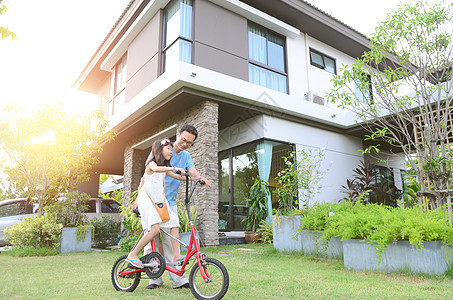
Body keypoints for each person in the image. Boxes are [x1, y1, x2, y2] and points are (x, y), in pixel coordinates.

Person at [132, 124, 211, 289]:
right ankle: (154, 279)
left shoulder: (186, 155)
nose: (184, 144)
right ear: (177, 135)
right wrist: (138, 201)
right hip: (152, 201)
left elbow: (191, 172)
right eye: (183, 140)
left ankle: (178, 280)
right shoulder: (160, 151)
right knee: (152, 239)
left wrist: (199, 178)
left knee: (171, 239)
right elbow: (145, 176)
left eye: (189, 143)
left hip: (169, 203)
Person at [127, 138, 186, 268]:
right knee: (155, 230)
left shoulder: (164, 168)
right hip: (148, 201)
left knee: (173, 223)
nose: (171, 152)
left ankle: (176, 255)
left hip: (158, 200)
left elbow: (177, 176)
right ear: (160, 150)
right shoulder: (151, 164)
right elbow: (156, 169)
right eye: (168, 149)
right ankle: (133, 254)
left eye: (171, 149)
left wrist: (193, 178)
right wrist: (175, 168)